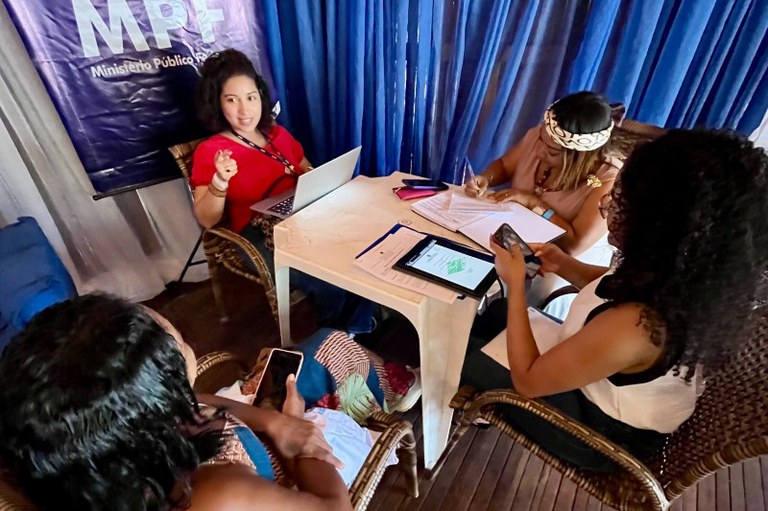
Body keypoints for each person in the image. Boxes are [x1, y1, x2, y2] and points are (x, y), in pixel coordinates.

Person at [462, 129, 768, 470]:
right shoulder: (679, 277)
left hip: (598, 435)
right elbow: (609, 286)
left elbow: (529, 382)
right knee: (492, 316)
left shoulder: (638, 326)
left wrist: (516, 284)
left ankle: (418, 382)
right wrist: (565, 264)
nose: (606, 203)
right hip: (602, 381)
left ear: (660, 224)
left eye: (620, 198)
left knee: (453, 349)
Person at [0, 294, 353, 510]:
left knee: (299, 358)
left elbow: (191, 399)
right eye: (177, 343)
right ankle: (389, 385)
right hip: (283, 474)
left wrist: (270, 421)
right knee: (331, 346)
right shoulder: (217, 496)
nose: (187, 345)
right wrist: (303, 442)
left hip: (254, 431)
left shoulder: (80, 449)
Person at [189, 49, 375, 334]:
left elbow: (305, 167)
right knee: (326, 279)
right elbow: (207, 220)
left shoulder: (277, 133)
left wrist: (318, 179)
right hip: (258, 233)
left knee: (366, 251)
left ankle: (356, 326)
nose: (245, 110)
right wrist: (219, 183)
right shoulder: (211, 151)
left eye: (251, 97)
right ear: (217, 104)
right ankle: (336, 337)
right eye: (232, 100)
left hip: (305, 214)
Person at [465, 91, 622, 256]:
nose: (539, 151)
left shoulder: (605, 181)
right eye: (540, 140)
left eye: (552, 152)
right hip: (509, 236)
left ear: (580, 157)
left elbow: (574, 246)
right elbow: (504, 166)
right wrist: (486, 178)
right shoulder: (541, 137)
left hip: (559, 262)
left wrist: (533, 203)